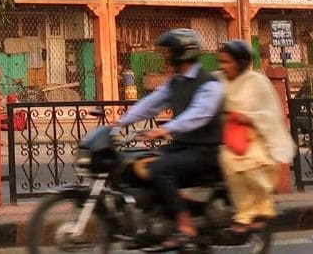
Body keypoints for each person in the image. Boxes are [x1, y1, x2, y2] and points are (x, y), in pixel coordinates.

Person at [116, 28, 223, 252]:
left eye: (169, 51)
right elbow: (151, 103)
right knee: (131, 166)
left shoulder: (209, 84)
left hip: (204, 151)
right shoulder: (176, 81)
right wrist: (120, 123)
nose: (165, 56)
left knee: (160, 169)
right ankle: (155, 221)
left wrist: (164, 130)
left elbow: (197, 115)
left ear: (182, 53)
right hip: (182, 146)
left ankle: (186, 226)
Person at [215, 40, 294, 235]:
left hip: (255, 135)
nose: (223, 67)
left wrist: (247, 117)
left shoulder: (258, 82)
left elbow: (270, 112)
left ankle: (262, 208)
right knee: (230, 164)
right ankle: (244, 213)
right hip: (229, 136)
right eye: (221, 62)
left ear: (240, 63)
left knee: (254, 166)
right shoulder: (216, 79)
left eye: (227, 62)